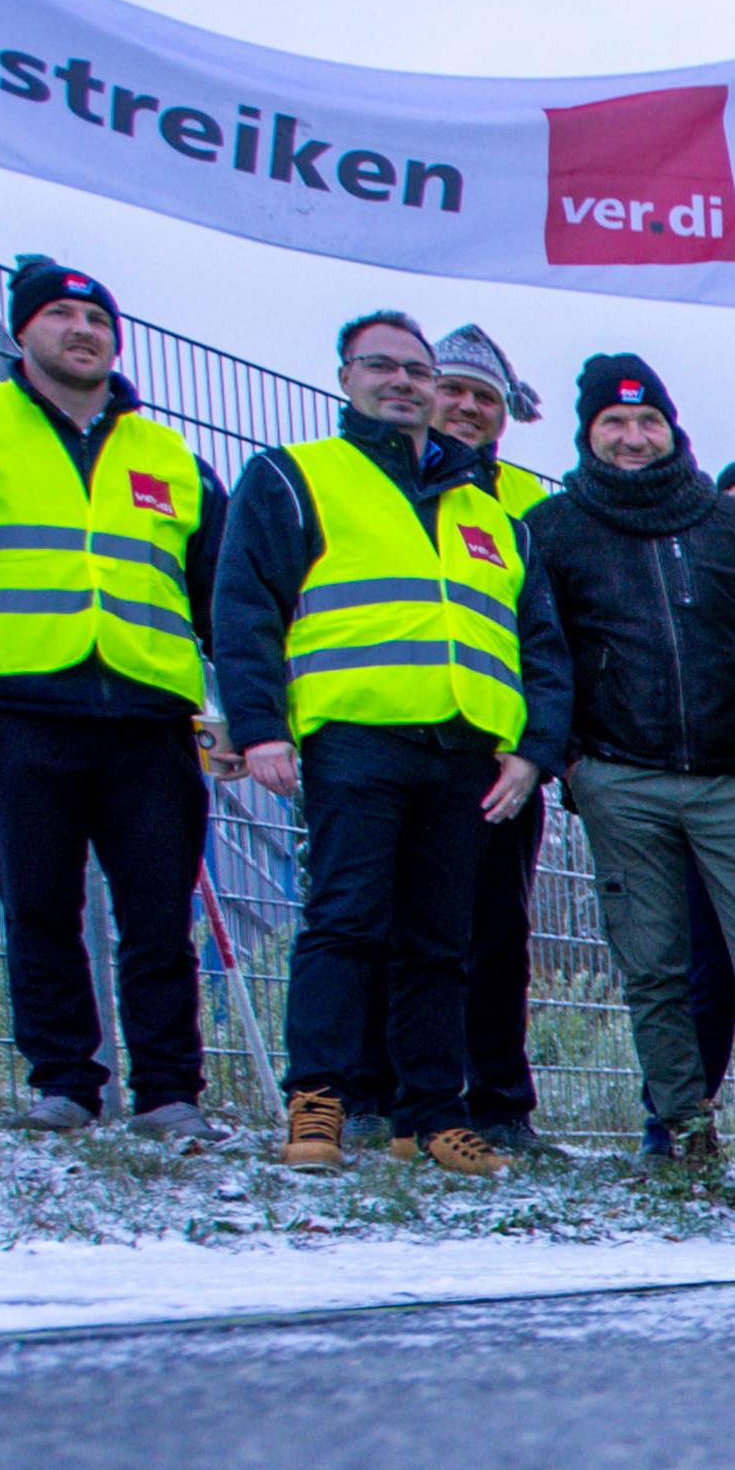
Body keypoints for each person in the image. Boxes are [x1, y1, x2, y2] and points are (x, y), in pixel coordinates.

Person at [212, 307, 557, 1176]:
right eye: (384, 367)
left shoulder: (495, 517)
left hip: (466, 755)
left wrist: (531, 751)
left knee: (442, 941)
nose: (403, 383)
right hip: (356, 739)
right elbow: (246, 608)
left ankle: (434, 1115)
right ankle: (319, 1103)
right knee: (344, 922)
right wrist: (259, 728)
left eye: (417, 372)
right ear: (347, 377)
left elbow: (538, 645)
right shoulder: (295, 479)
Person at [0, 253, 214, 1132]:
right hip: (17, 706)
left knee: (157, 918)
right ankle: (64, 1083)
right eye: (62, 316)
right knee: (38, 903)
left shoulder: (169, 454)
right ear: (22, 331)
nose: (83, 331)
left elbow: (217, 593)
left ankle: (170, 1093)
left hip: (147, 713)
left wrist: (245, 715)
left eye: (98, 320)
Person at [523, 352, 735, 1171]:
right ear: (587, 435)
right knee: (654, 973)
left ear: (672, 429)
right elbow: (544, 648)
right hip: (620, 778)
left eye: (648, 420)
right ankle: (684, 1137)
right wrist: (573, 761)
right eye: (613, 423)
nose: (633, 437)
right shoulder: (553, 527)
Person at [406, 329, 561, 1148]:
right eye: (454, 388)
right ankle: (395, 1100)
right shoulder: (380, 484)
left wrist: (537, 747)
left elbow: (546, 639)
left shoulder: (529, 507)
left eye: (485, 397)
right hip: (396, 741)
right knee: (398, 930)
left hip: (501, 759)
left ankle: (500, 1104)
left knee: (499, 934)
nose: (467, 407)